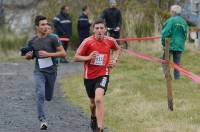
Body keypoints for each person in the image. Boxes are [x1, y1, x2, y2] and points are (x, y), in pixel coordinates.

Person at [74, 19, 121, 132]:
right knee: (92, 102)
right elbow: (76, 57)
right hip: (89, 76)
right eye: (97, 28)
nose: (99, 30)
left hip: (103, 74)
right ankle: (93, 117)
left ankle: (100, 127)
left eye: (101, 28)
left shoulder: (110, 40)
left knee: (98, 99)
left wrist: (114, 60)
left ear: (105, 29)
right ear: (93, 29)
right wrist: (88, 57)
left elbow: (118, 49)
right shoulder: (87, 42)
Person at [24, 15, 66, 130]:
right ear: (37, 27)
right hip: (39, 71)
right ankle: (42, 120)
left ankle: (46, 101)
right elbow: (30, 55)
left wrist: (49, 55)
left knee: (48, 97)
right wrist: (28, 56)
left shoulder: (53, 38)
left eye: (46, 24)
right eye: (42, 24)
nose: (45, 26)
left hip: (52, 71)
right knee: (40, 93)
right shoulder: (32, 41)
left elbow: (63, 54)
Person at [161, 5, 188, 80]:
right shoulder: (183, 22)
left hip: (169, 45)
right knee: (177, 64)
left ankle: (167, 77)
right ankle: (177, 78)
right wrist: (182, 42)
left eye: (171, 11)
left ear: (173, 12)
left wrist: (163, 43)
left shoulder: (171, 20)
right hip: (179, 45)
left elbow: (165, 33)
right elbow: (185, 34)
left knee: (165, 61)